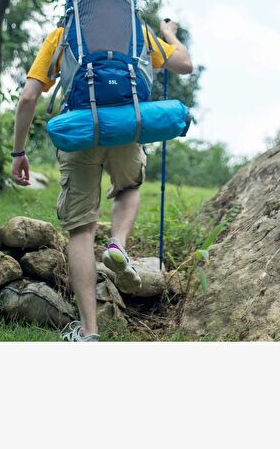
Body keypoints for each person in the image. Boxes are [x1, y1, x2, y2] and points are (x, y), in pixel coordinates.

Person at [11, 17, 193, 341]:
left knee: (81, 230)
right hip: (126, 129)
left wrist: (18, 152)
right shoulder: (137, 32)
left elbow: (28, 98)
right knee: (128, 187)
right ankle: (117, 244)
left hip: (80, 130)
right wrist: (168, 34)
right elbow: (184, 64)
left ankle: (89, 332)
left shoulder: (62, 36)